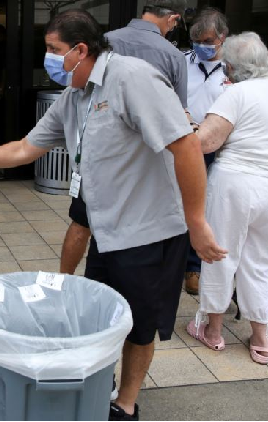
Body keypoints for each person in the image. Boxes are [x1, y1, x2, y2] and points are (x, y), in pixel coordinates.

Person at [0, 9, 226, 420]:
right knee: (99, 318)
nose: (49, 58)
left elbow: (186, 146)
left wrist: (197, 224)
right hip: (107, 231)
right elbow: (24, 147)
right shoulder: (75, 94)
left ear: (80, 49)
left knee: (138, 327)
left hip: (149, 231)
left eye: (54, 50)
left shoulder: (132, 79)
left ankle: (125, 402)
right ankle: (94, 386)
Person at [187, 32, 268, 365]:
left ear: (230, 66)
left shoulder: (235, 94)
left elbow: (205, 143)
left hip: (237, 182)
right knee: (260, 261)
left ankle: (213, 331)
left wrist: (192, 126)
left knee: (220, 254)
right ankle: (260, 337)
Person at [60, 0, 190, 277]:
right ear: (172, 19)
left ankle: (65, 281)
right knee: (132, 250)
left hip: (96, 160)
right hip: (142, 171)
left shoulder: (107, 41)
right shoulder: (173, 55)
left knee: (82, 224)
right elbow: (180, 120)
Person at [182, 7, 229, 295]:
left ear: (222, 38)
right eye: (196, 40)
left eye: (208, 41)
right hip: (182, 141)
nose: (201, 46)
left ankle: (194, 268)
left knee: (204, 207)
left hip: (215, 147)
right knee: (177, 205)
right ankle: (173, 262)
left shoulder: (235, 68)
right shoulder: (181, 61)